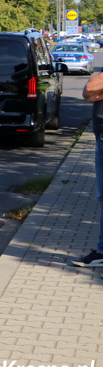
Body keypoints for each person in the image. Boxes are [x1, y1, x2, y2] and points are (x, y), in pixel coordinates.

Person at [73, 70, 103, 267]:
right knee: (102, 198)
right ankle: (102, 252)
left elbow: (93, 87)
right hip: (101, 139)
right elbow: (88, 92)